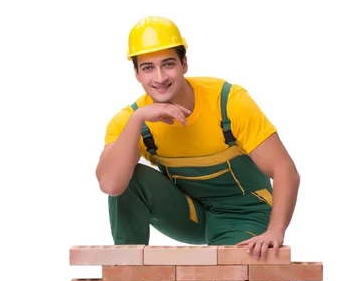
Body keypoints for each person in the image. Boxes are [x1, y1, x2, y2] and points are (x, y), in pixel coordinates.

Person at [95, 16, 300, 260]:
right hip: (192, 215)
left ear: (184, 63)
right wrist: (137, 120)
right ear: (137, 74)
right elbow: (111, 185)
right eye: (148, 67)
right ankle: (127, 276)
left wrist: (276, 230)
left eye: (168, 64)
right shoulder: (131, 119)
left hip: (245, 216)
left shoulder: (228, 101)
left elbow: (285, 169)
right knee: (131, 178)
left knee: (227, 276)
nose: (160, 78)